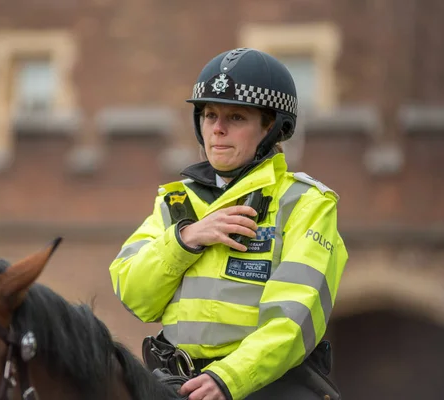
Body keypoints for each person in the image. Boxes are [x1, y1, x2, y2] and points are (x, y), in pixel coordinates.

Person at [108, 48, 348, 400]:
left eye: (236, 118)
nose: (217, 129)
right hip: (177, 383)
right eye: (209, 115)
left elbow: (293, 320)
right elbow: (134, 295)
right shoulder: (176, 202)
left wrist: (227, 378)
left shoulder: (307, 204)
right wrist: (186, 239)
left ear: (272, 128)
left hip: (269, 386)